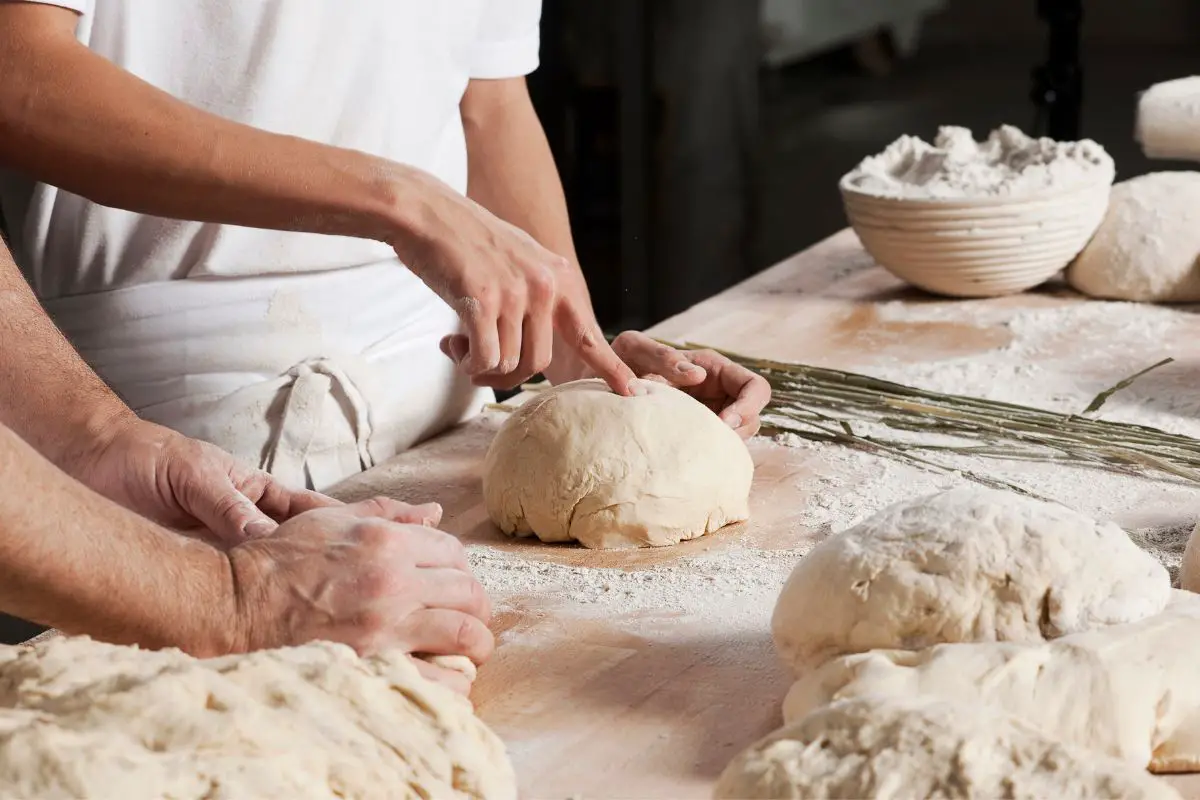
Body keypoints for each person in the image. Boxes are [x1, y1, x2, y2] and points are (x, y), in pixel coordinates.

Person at [0, 2, 771, 521]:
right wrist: (400, 201)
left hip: (451, 423)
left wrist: (575, 347)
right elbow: (19, 76)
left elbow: (488, 100)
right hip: (172, 440)